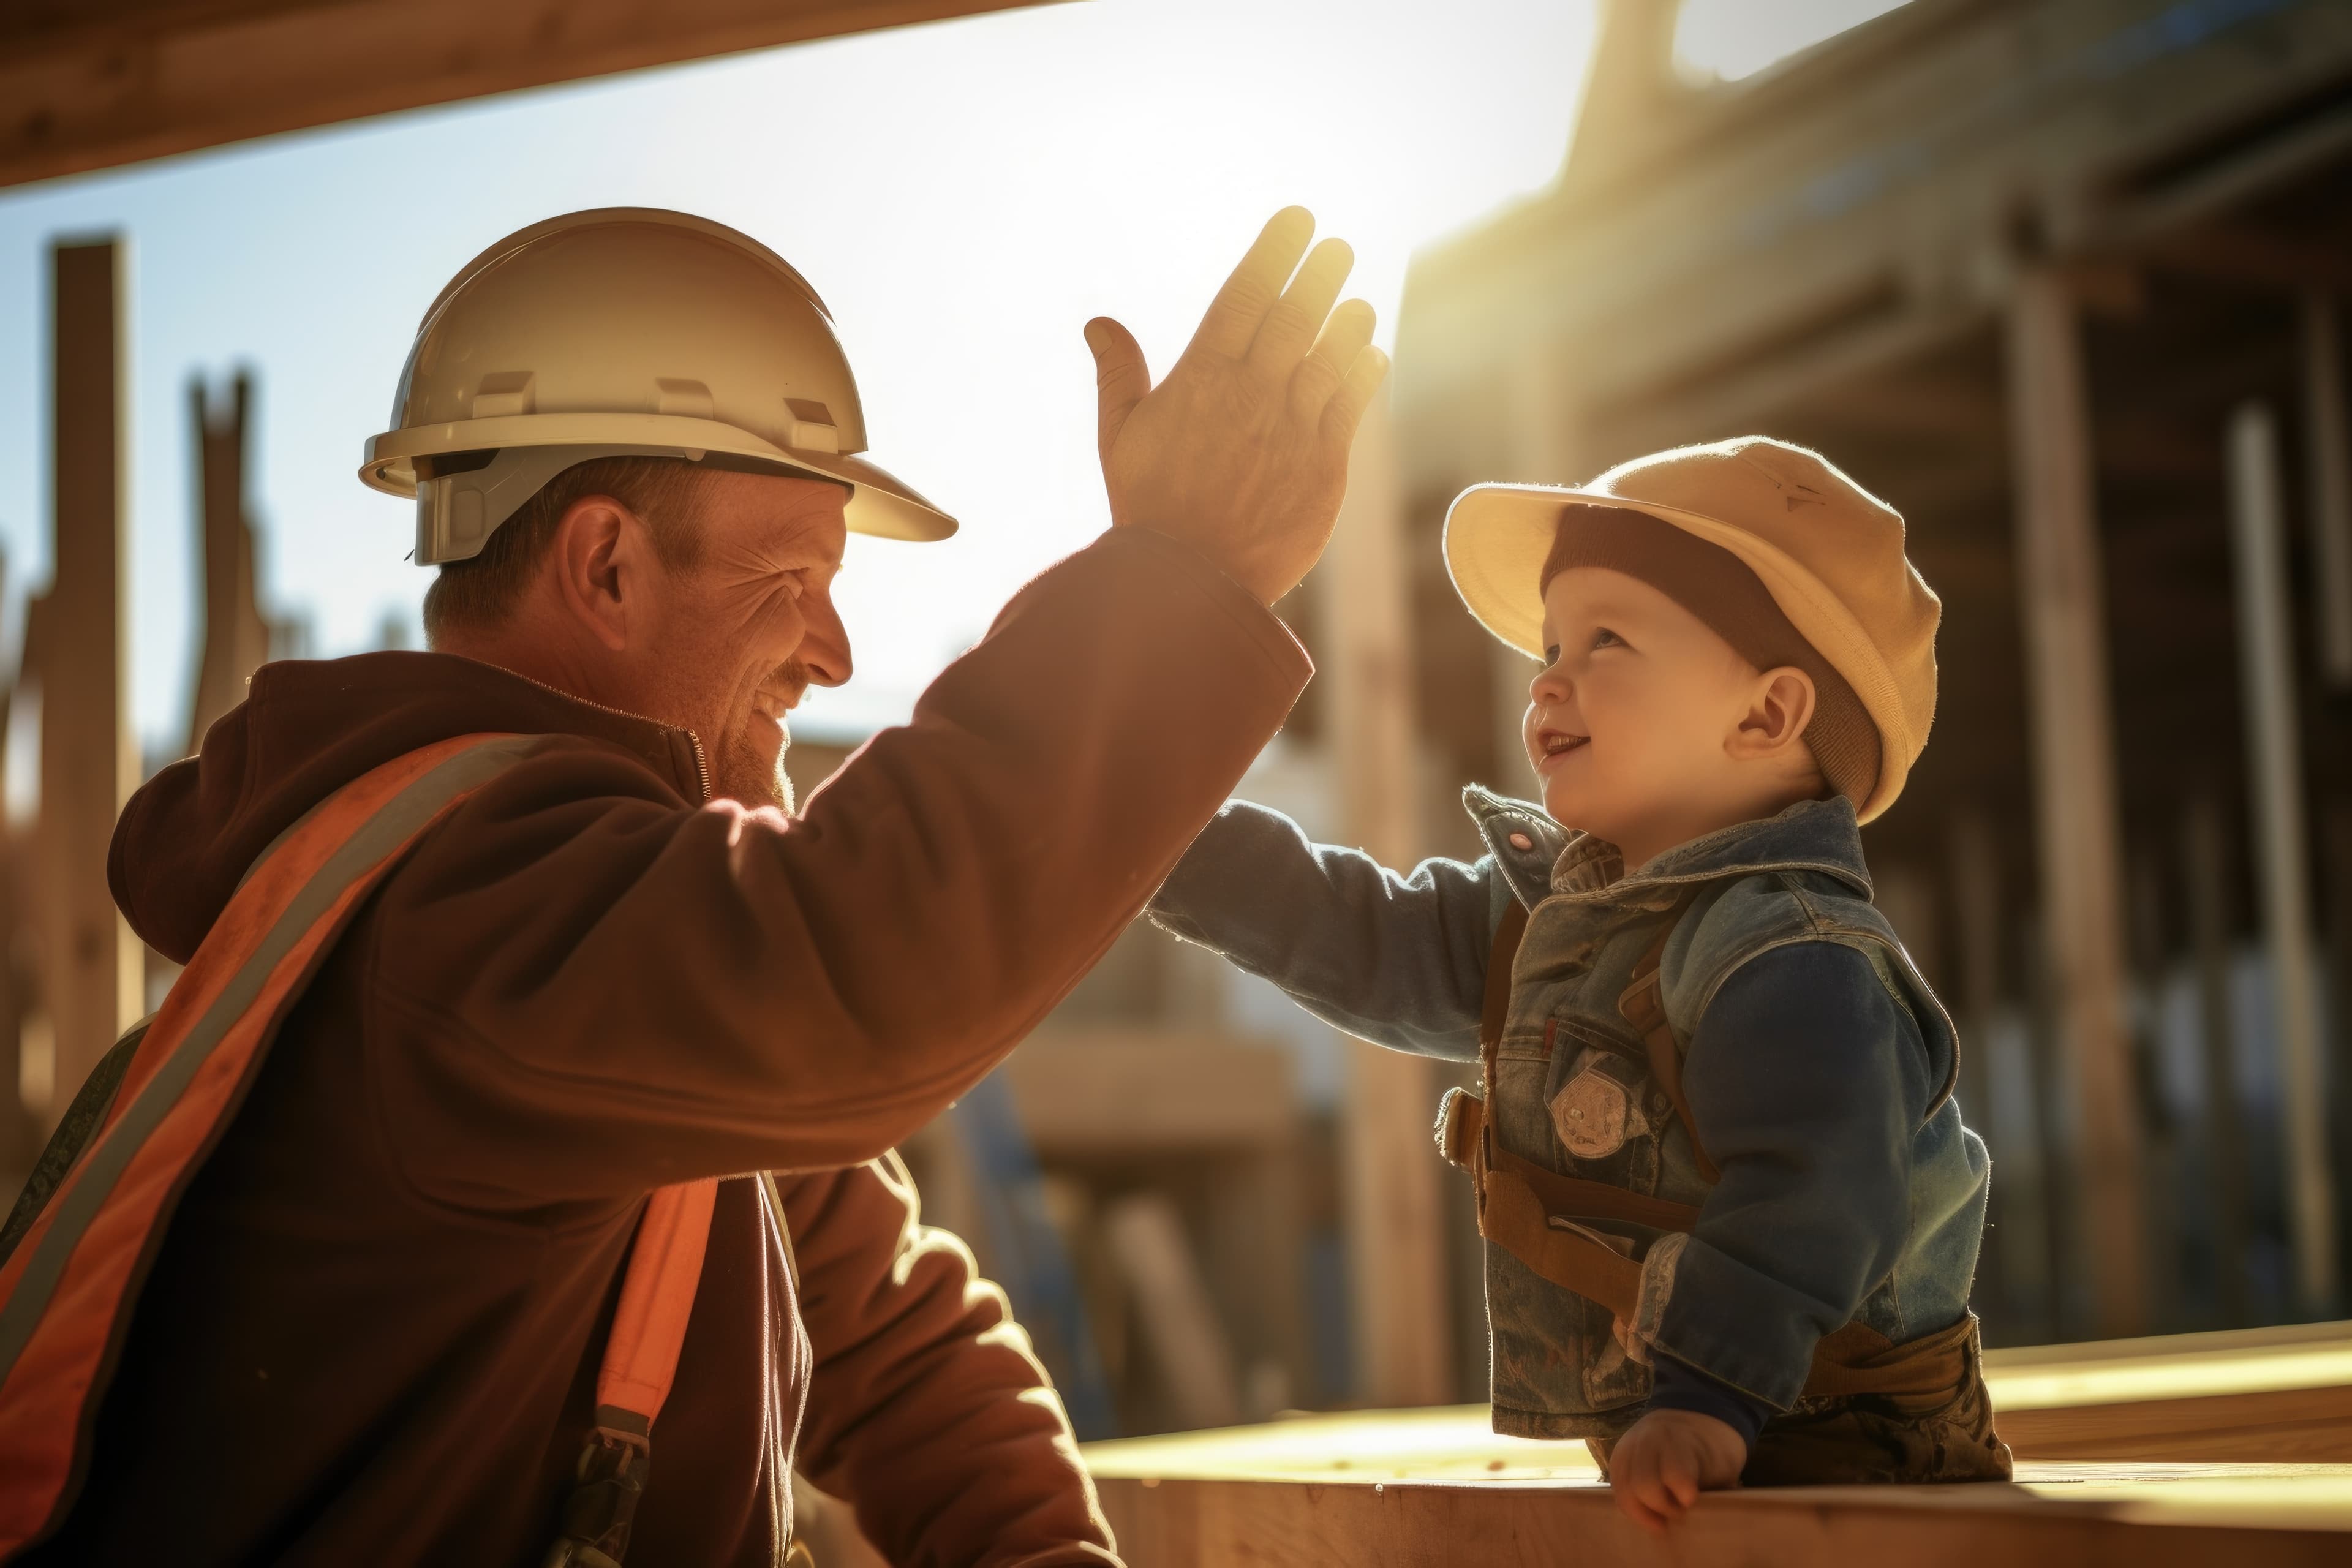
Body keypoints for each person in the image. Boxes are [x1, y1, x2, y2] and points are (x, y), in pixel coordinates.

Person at [1, 205, 1387, 1564]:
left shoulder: (597, 939)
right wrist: (1181, 580)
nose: (836, 652)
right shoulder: (458, 919)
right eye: (797, 575)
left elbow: (886, 1334)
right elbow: (861, 965)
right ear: (606, 564)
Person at [1147, 436, 2014, 1534]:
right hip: (1693, 1436)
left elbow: (1814, 1187)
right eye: (1554, 642)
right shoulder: (1549, 928)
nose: (1548, 675)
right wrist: (1160, 835)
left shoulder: (1792, 956)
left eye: (1609, 640)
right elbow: (1360, 933)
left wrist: (1707, 1399)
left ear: (1765, 717)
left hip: (1854, 1447)